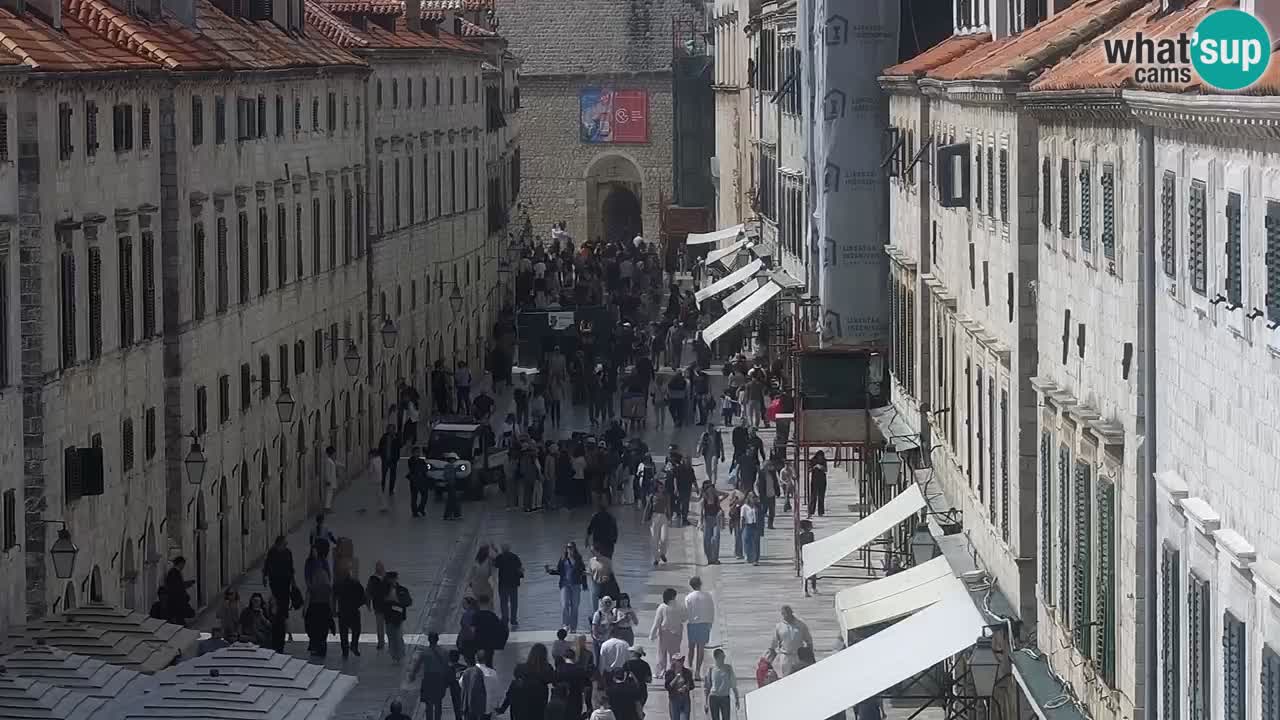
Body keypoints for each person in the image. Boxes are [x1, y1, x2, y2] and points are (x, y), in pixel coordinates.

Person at [546, 542, 588, 631]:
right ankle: (565, 625)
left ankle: (573, 627)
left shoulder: (578, 559)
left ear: (574, 549)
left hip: (576, 585)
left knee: (575, 606)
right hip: (564, 585)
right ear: (566, 549)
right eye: (568, 547)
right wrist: (550, 571)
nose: (570, 549)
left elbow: (583, 572)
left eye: (571, 547)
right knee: (565, 605)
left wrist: (584, 584)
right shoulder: (563, 559)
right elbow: (559, 571)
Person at [304, 543, 335, 658]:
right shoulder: (310, 562)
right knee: (317, 628)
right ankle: (317, 647)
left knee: (319, 628)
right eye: (313, 550)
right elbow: (307, 575)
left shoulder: (323, 562)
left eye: (315, 550)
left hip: (320, 606)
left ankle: (318, 647)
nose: (314, 552)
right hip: (316, 604)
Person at [769, 605, 813, 677]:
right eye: (784, 614)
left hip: (798, 657)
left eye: (788, 613)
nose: (786, 616)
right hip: (785, 657)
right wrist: (772, 657)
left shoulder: (801, 625)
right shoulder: (779, 626)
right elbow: (774, 643)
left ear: (791, 613)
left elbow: (809, 641)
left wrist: (810, 656)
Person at [649, 588, 684, 676]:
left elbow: (657, 622)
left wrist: (652, 634)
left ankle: (661, 671)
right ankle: (675, 670)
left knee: (662, 652)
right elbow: (684, 618)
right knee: (675, 653)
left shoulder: (662, 607)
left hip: (664, 632)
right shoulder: (680, 606)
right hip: (677, 633)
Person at [683, 577, 715, 676]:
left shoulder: (688, 597)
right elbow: (711, 610)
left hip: (692, 624)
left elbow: (686, 611)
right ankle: (697, 670)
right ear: (700, 584)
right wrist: (710, 622)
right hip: (704, 623)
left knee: (691, 648)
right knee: (701, 648)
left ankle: (690, 669)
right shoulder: (707, 595)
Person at [334, 570, 367, 659]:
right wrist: (357, 604)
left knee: (343, 633)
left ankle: (345, 651)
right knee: (356, 630)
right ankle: (354, 646)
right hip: (353, 611)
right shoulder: (356, 583)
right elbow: (363, 598)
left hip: (343, 611)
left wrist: (334, 610)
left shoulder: (338, 584)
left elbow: (334, 597)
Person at [383, 571, 412, 663]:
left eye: (393, 578)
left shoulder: (402, 590)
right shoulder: (384, 590)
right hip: (388, 616)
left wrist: (398, 602)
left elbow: (408, 602)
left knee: (398, 636)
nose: (392, 581)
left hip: (398, 616)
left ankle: (399, 654)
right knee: (391, 636)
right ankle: (394, 655)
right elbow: (380, 601)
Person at [704, 648, 740, 720]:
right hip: (714, 698)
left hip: (724, 697)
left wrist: (737, 698)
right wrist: (706, 703)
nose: (723, 659)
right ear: (716, 658)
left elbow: (733, 684)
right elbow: (708, 687)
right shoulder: (711, 669)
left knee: (726, 718)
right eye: (721, 657)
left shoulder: (728, 668)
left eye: (724, 657)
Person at [493, 543, 524, 628]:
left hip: (503, 584)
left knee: (504, 602)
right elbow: (520, 568)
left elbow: (495, 565)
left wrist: (495, 552)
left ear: (502, 549)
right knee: (514, 603)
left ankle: (505, 619)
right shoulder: (515, 557)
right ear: (509, 548)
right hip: (513, 584)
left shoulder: (500, 557)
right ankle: (513, 620)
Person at [646, 480, 672, 567]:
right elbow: (648, 507)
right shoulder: (652, 496)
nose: (662, 488)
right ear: (657, 487)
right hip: (654, 517)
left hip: (663, 516)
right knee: (654, 539)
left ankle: (662, 553)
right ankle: (656, 558)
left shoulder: (666, 496)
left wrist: (669, 517)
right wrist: (645, 519)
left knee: (664, 538)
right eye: (660, 487)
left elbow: (668, 507)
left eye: (663, 487)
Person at [163, 557, 196, 626]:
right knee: (179, 618)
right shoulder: (174, 573)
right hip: (176, 600)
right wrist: (187, 585)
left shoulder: (174, 572)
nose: (183, 566)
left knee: (180, 618)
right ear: (180, 563)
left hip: (177, 600)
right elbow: (177, 587)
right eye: (183, 564)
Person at [663, 653, 695, 720]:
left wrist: (686, 687)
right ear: (673, 661)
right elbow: (668, 687)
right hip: (674, 699)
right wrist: (676, 677)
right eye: (678, 660)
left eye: (682, 660)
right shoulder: (669, 673)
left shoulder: (687, 672)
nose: (681, 662)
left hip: (685, 699)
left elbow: (692, 685)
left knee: (685, 718)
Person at [700, 481, 725, 564]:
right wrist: (701, 523)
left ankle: (715, 558)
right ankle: (709, 558)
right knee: (706, 540)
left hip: (715, 519)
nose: (711, 489)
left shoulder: (716, 498)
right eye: (709, 488)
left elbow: (719, 506)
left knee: (715, 538)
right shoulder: (704, 499)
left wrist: (720, 512)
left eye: (712, 488)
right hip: (707, 520)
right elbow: (702, 512)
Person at [366, 561, 389, 650]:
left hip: (387, 606)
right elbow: (368, 591)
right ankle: (381, 643)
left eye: (381, 567)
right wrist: (368, 603)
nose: (380, 568)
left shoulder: (387, 577)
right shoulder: (373, 579)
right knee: (380, 626)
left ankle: (385, 642)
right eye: (378, 567)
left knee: (388, 626)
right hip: (379, 606)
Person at [458, 653, 487, 720]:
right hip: (480, 705)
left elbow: (461, 684)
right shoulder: (488, 672)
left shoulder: (466, 672)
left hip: (468, 705)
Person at [590, 596, 617, 664]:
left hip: (608, 640)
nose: (607, 604)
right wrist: (597, 638)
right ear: (602, 603)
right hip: (598, 640)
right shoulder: (598, 614)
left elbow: (613, 625)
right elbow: (594, 627)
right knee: (597, 660)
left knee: (607, 660)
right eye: (606, 602)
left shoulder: (611, 614)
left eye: (609, 602)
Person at [797, 520, 818, 596]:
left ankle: (806, 590)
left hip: (805, 555)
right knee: (813, 573)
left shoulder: (800, 536)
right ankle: (812, 588)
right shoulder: (810, 534)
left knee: (806, 573)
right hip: (810, 555)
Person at [408, 446, 430, 517]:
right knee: (414, 497)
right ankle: (415, 512)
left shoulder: (421, 461)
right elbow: (413, 469)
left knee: (425, 495)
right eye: (416, 452)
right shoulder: (411, 460)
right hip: (414, 481)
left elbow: (425, 469)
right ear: (413, 453)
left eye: (418, 452)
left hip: (421, 481)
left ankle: (421, 508)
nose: (418, 453)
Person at [322, 445, 343, 513]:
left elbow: (336, 463)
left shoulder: (331, 460)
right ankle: (327, 508)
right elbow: (327, 472)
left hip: (332, 480)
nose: (335, 455)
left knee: (331, 494)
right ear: (330, 453)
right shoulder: (328, 461)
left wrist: (343, 465)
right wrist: (328, 480)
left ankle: (329, 507)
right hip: (330, 481)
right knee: (329, 494)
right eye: (334, 453)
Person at [808, 450, 828, 518]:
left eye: (821, 456)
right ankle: (811, 511)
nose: (820, 458)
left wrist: (821, 467)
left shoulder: (824, 461)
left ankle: (820, 512)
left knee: (821, 497)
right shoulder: (812, 460)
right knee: (813, 496)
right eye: (819, 456)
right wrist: (814, 467)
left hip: (822, 480)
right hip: (815, 480)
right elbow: (809, 469)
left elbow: (826, 470)